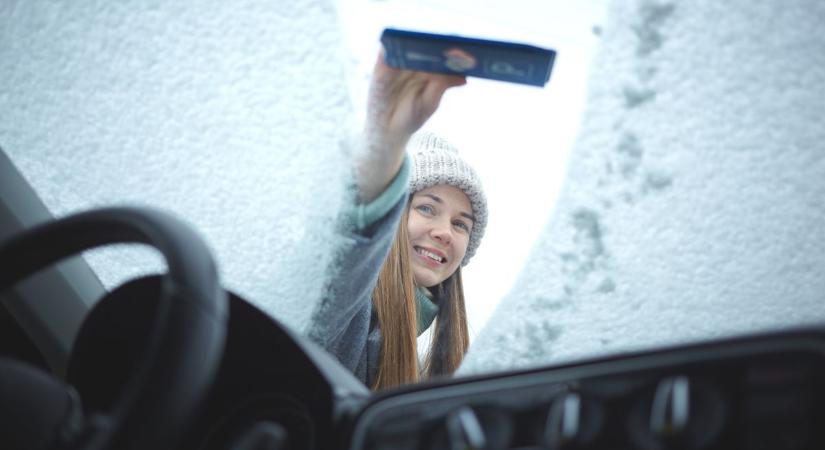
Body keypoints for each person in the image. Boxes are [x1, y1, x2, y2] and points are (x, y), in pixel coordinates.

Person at [308, 53, 487, 390]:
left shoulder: (427, 375)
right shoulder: (348, 312)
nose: (444, 232)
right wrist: (386, 140)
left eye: (461, 224)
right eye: (427, 208)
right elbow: (354, 236)